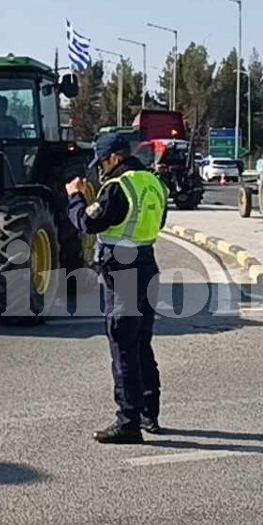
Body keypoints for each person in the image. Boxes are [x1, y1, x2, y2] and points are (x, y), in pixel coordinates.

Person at [66, 133, 169, 444]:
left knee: (122, 345)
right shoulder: (152, 182)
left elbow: (87, 222)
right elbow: (157, 220)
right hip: (148, 265)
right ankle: (149, 413)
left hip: (122, 273)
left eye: (103, 162)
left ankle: (128, 422)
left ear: (114, 158)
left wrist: (75, 197)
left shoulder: (117, 187)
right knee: (142, 345)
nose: (102, 169)